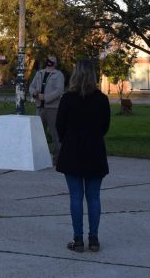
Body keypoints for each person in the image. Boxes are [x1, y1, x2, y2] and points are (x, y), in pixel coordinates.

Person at [55, 58, 111, 253]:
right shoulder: (102, 100)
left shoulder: (67, 99)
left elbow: (59, 127)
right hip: (94, 151)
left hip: (72, 152)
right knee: (94, 197)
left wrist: (68, 140)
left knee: (76, 197)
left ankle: (78, 239)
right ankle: (93, 239)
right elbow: (105, 127)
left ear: (75, 74)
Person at [29, 55, 65, 162]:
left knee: (55, 134)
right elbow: (31, 86)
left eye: (54, 59)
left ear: (56, 63)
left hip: (52, 108)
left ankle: (58, 158)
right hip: (39, 108)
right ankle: (40, 157)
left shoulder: (59, 75)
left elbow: (59, 90)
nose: (51, 61)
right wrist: (34, 93)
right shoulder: (39, 73)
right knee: (39, 134)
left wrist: (46, 97)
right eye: (50, 59)